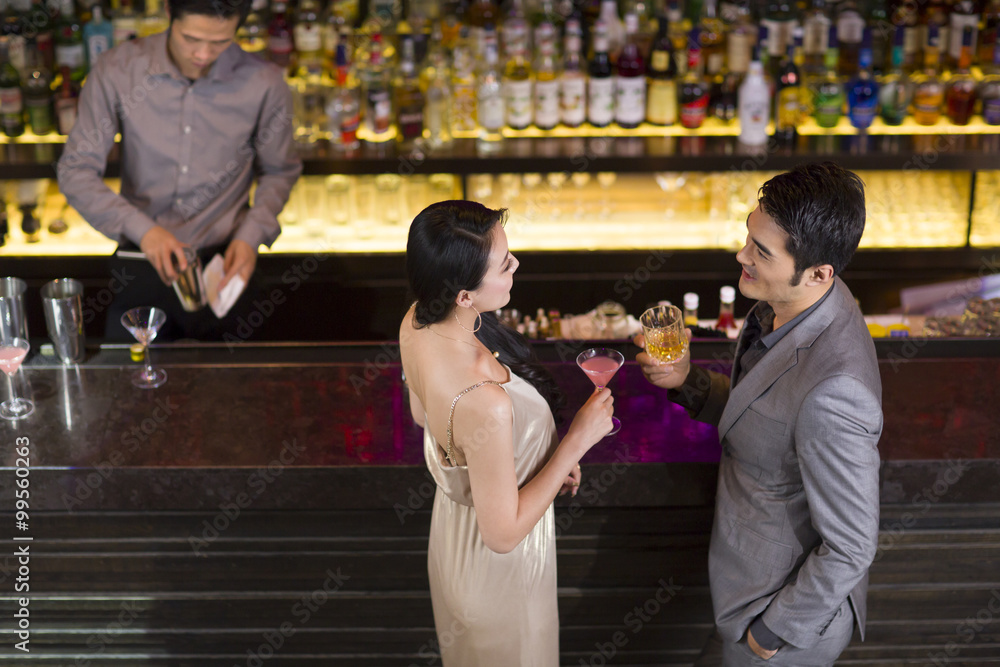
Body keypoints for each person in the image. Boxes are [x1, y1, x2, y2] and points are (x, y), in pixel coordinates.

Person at [636, 163, 883, 666]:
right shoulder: (798, 301)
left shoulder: (837, 392)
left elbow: (853, 545)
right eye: (749, 237)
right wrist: (689, 381)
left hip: (780, 619)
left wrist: (770, 633)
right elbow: (769, 410)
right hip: (744, 592)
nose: (741, 255)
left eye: (760, 252)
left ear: (819, 272)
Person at [400, 200, 614, 665]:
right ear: (463, 296)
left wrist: (537, 462)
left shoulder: (416, 321)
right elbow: (502, 534)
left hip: (453, 538)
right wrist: (577, 438)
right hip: (499, 573)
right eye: (504, 263)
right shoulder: (486, 400)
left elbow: (426, 417)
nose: (516, 265)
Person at [57, 0, 301, 341]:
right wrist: (144, 230)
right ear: (170, 14)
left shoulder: (264, 82)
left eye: (219, 42)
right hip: (142, 260)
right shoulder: (119, 69)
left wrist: (251, 236)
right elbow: (76, 171)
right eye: (191, 38)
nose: (203, 53)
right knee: (131, 386)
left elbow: (280, 170)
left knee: (236, 390)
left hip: (226, 263)